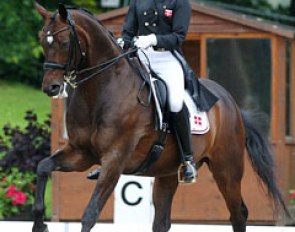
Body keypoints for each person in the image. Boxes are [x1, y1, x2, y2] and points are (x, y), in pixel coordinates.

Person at [87, 0, 197, 184]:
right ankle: (108, 159)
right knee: (117, 95)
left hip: (167, 59)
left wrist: (154, 39)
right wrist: (124, 41)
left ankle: (188, 159)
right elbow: (129, 31)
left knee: (176, 102)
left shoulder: (179, 3)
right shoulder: (139, 1)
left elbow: (179, 36)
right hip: (141, 57)